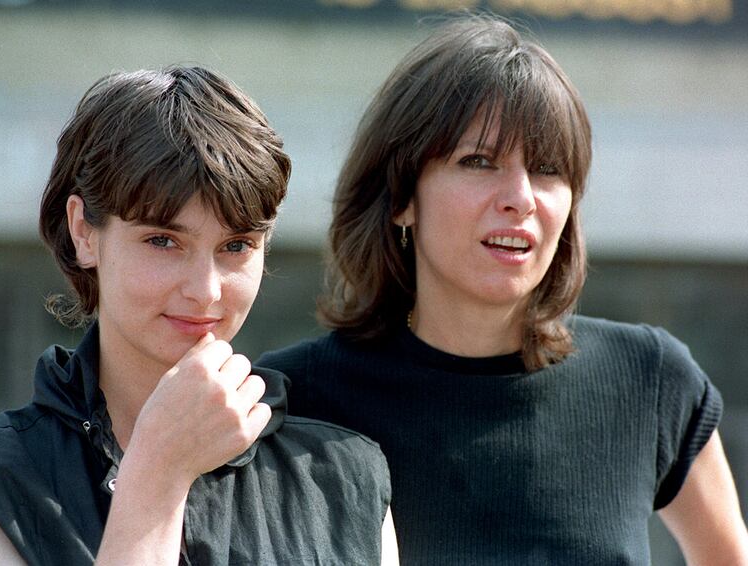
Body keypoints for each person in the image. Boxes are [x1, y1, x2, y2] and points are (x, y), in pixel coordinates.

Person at [257, 14, 748, 565]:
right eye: (478, 161)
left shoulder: (651, 379)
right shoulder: (293, 400)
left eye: (546, 169)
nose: (520, 197)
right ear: (401, 197)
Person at [0, 66, 397, 565]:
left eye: (236, 245)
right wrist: (157, 474)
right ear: (84, 231)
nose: (205, 291)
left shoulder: (345, 478)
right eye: (163, 241)